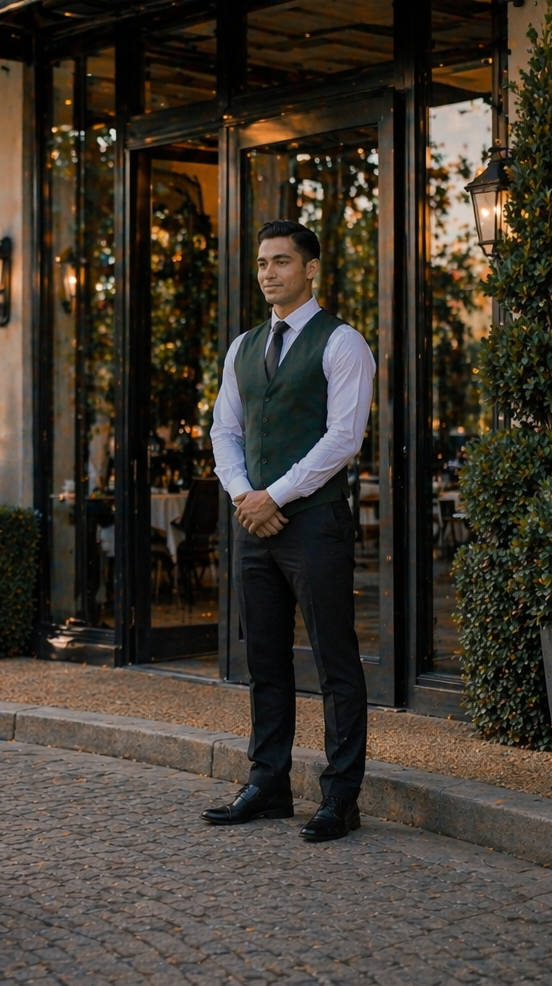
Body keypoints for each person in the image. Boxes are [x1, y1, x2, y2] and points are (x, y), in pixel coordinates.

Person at [199, 219, 376, 842]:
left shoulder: (343, 344)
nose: (269, 273)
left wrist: (274, 494)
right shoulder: (243, 346)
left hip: (314, 523)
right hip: (255, 522)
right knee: (266, 661)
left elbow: (343, 440)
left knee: (335, 661)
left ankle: (340, 798)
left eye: (281, 261)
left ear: (310, 269)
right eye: (262, 262)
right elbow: (225, 430)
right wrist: (245, 496)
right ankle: (268, 784)